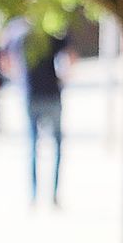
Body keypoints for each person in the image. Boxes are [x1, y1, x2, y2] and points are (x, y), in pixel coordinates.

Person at [26, 32, 72, 206]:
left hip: (33, 96)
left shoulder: (21, 34)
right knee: (55, 147)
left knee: (32, 147)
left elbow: (6, 62)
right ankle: (52, 195)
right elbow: (70, 55)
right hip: (51, 96)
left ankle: (34, 196)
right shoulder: (49, 33)